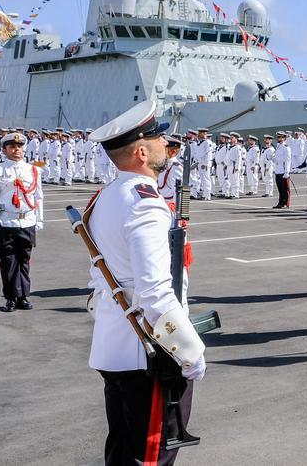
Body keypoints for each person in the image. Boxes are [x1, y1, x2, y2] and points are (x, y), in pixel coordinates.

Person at [84, 100, 206, 465]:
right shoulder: (144, 203)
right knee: (150, 456)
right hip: (148, 351)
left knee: (122, 449)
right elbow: (155, 291)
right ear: (141, 151)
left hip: (114, 342)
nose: (165, 143)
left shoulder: (106, 196)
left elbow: (99, 275)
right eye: (158, 138)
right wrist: (190, 352)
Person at [0, 132, 43, 312]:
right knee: (8, 261)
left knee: (24, 260)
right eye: (12, 147)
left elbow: (38, 196)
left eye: (20, 146)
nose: (17, 150)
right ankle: (11, 298)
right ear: (5, 150)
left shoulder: (33, 170)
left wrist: (39, 218)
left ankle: (23, 296)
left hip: (27, 221)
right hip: (6, 221)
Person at [157, 135, 184, 204]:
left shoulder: (176, 167)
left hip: (170, 203)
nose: (161, 152)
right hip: (162, 200)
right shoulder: (165, 164)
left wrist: (175, 208)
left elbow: (177, 191)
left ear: (173, 151)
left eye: (165, 150)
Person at [271, 131, 293, 208]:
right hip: (277, 170)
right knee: (280, 189)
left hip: (283, 171)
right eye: (278, 137)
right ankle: (280, 202)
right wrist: (273, 159)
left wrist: (287, 172)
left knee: (285, 189)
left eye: (280, 137)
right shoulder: (278, 147)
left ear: (284, 138)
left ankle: (286, 203)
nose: (278, 138)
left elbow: (288, 160)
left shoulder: (286, 147)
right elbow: (277, 159)